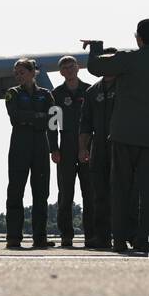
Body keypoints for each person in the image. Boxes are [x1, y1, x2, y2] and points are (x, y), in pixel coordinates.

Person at [85, 19, 149, 254]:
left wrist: (96, 47)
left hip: (124, 135)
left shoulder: (130, 58)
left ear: (139, 37)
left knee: (120, 188)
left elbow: (96, 68)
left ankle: (119, 240)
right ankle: (146, 240)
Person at [4, 58, 57, 249]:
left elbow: (53, 122)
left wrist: (55, 148)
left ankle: (40, 237)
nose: (18, 76)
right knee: (16, 190)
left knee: (41, 192)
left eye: (22, 72)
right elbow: (15, 117)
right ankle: (13, 236)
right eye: (16, 73)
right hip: (20, 144)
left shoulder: (46, 95)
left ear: (33, 72)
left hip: (40, 145)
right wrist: (38, 117)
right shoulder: (12, 93)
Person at [51, 55, 93, 247]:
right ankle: (66, 234)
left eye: (71, 66)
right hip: (66, 146)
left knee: (90, 192)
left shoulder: (90, 91)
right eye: (65, 68)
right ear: (61, 72)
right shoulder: (56, 94)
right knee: (65, 194)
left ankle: (91, 234)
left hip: (86, 145)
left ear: (78, 68)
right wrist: (53, 148)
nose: (69, 70)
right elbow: (52, 125)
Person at [78, 48, 118, 250]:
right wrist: (83, 148)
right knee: (99, 194)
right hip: (99, 148)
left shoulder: (127, 86)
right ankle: (101, 236)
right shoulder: (92, 91)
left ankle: (125, 234)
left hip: (121, 146)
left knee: (123, 192)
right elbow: (85, 124)